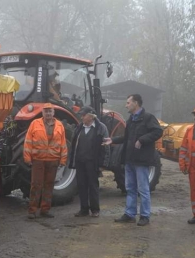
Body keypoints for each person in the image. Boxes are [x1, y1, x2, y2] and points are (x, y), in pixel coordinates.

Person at [103, 94, 163, 226]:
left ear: (136, 103)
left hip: (141, 161)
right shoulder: (131, 120)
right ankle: (130, 214)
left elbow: (158, 132)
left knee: (143, 189)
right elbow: (126, 137)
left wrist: (142, 140)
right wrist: (112, 140)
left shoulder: (148, 118)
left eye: (128, 103)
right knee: (130, 188)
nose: (126, 105)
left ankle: (145, 216)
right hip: (129, 160)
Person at [23, 103, 68, 219]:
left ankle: (45, 210)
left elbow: (63, 144)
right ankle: (32, 210)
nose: (48, 113)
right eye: (46, 111)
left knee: (49, 185)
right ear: (42, 113)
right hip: (38, 159)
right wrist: (27, 158)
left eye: (50, 111)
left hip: (53, 160)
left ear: (53, 113)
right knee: (36, 185)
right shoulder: (34, 123)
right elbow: (28, 142)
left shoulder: (59, 125)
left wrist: (63, 160)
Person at [69, 106, 110, 217]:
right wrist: (72, 160)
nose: (81, 117)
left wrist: (103, 164)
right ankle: (84, 209)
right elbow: (73, 146)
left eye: (84, 115)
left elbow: (106, 147)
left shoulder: (101, 128)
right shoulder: (79, 128)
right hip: (80, 162)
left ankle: (95, 210)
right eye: (81, 115)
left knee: (93, 186)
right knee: (81, 185)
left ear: (91, 116)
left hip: (93, 163)